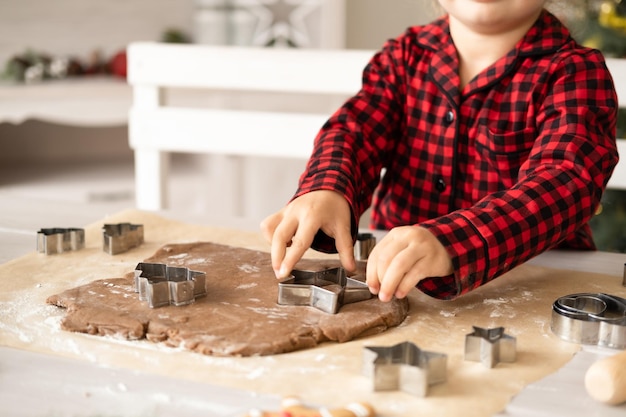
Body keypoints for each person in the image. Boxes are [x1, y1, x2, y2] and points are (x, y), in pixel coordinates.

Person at [260, 0, 619, 303]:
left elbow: (564, 184)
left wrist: (453, 242)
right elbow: (355, 132)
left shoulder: (575, 72)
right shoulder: (403, 57)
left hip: (537, 290)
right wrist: (328, 186)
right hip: (394, 282)